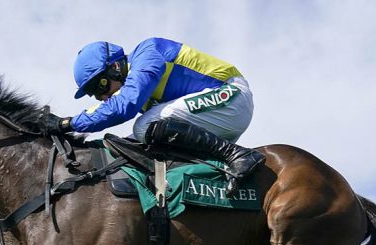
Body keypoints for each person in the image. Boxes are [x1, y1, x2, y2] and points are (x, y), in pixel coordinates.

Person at [42, 38, 265, 195]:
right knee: (130, 145)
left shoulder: (147, 52)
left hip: (231, 96)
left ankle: (236, 155)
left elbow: (125, 106)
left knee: (145, 126)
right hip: (217, 112)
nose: (102, 96)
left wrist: (68, 123)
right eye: (94, 93)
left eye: (100, 86)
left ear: (116, 66)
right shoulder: (134, 82)